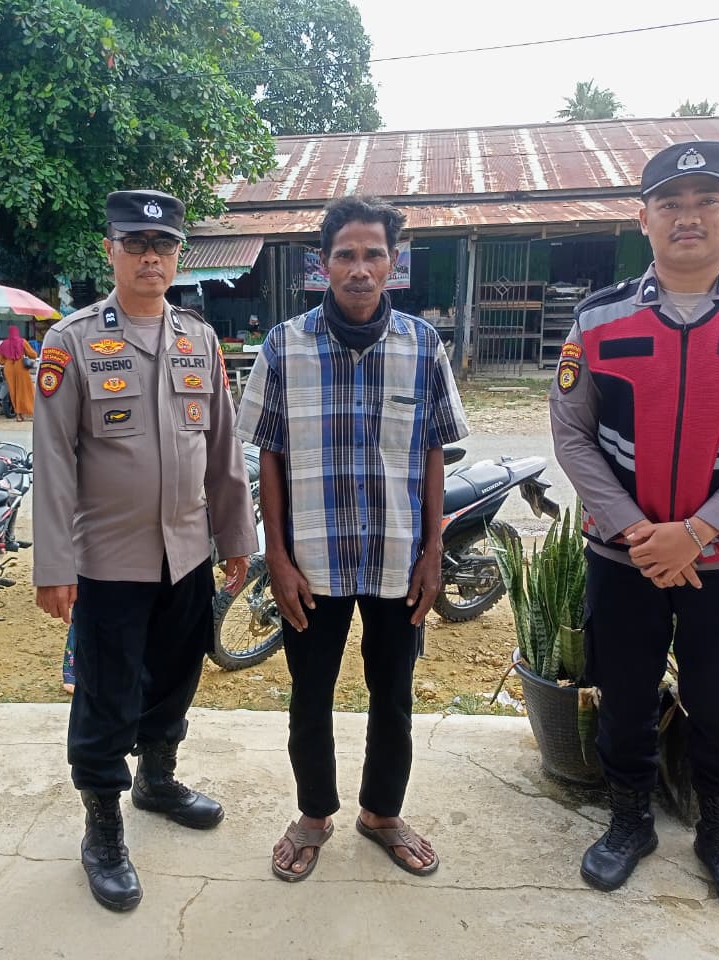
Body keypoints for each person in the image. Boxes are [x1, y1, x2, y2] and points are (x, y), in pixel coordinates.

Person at [550, 141, 719, 918]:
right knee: (624, 697)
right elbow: (572, 435)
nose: (688, 216)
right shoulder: (599, 318)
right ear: (644, 219)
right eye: (670, 203)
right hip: (623, 556)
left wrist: (699, 532)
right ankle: (629, 823)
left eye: (708, 200)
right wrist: (641, 532)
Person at [33, 189, 257, 912]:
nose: (150, 257)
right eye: (135, 243)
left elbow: (222, 448)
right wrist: (54, 565)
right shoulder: (70, 342)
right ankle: (102, 824)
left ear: (177, 256)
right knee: (105, 694)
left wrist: (236, 536)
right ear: (111, 251)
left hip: (187, 553)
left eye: (162, 245)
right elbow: (54, 462)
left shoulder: (199, 339)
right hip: (108, 560)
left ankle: (157, 780)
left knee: (175, 677)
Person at [236, 195, 468, 882]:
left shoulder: (423, 346)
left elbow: (434, 451)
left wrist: (434, 552)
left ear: (394, 264)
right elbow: (269, 455)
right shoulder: (284, 346)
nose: (359, 268)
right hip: (313, 561)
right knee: (310, 695)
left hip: (399, 558)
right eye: (346, 255)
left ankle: (382, 813)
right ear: (323, 264)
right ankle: (313, 815)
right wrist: (277, 558)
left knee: (393, 693)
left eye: (373, 255)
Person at [0, 323, 38, 421]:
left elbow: (0, 360)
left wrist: (8, 360)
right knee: (26, 390)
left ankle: (18, 415)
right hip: (21, 368)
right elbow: (33, 355)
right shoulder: (22, 341)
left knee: (13, 391)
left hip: (9, 368)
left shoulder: (3, 344)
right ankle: (30, 413)